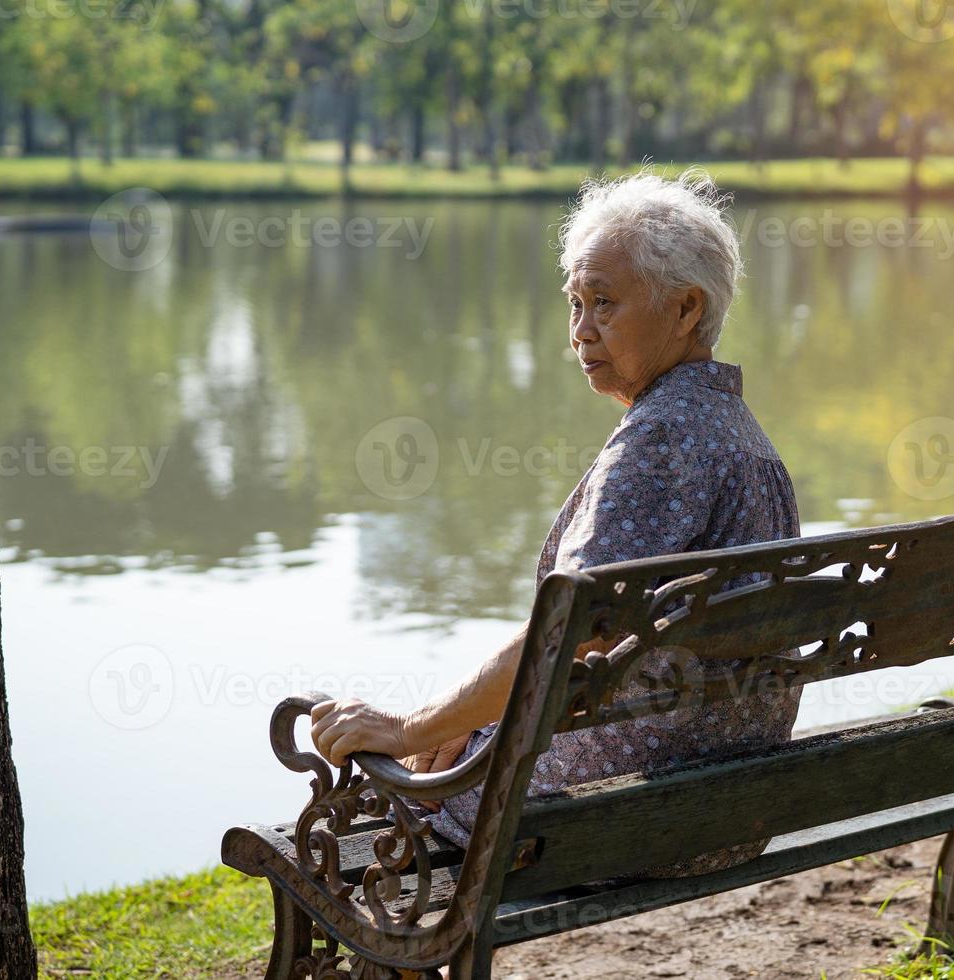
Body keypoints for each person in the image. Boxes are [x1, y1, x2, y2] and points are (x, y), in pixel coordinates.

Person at [309, 169, 803, 875]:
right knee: (447, 747)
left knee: (374, 803)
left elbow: (565, 635)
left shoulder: (663, 440)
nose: (579, 332)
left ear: (686, 308)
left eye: (603, 303)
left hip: (625, 813)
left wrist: (410, 727)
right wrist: (473, 722)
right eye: (574, 303)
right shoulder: (739, 433)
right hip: (727, 797)